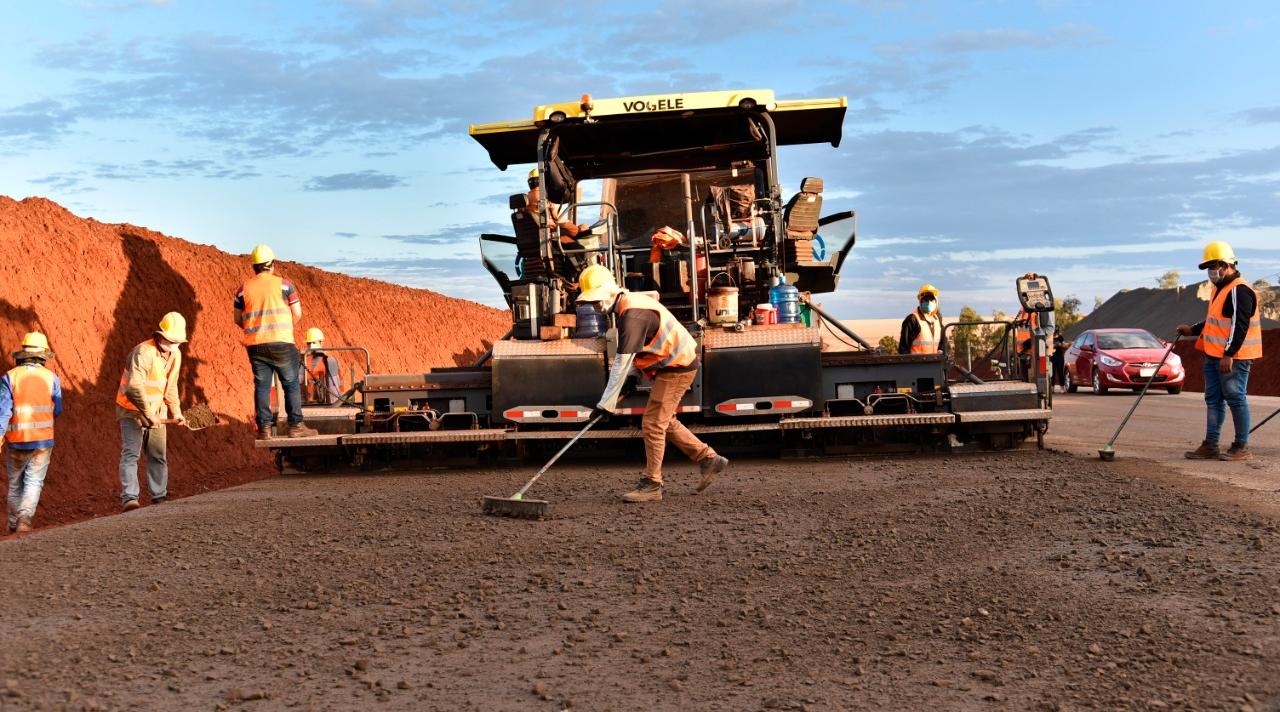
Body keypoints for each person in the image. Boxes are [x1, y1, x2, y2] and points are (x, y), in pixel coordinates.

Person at [577, 264, 729, 502]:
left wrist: (605, 404)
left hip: (676, 366)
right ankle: (708, 459)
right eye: (591, 302)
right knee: (664, 421)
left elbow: (622, 362)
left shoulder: (631, 315)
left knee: (652, 423)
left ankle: (652, 484)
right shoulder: (630, 306)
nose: (595, 306)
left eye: (596, 300)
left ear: (608, 292)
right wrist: (631, 380)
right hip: (674, 364)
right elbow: (641, 349)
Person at [1177, 241, 1263, 461]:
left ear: (1225, 265)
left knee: (1235, 398)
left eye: (1212, 266)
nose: (1210, 272)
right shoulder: (1220, 289)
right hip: (1213, 355)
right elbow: (1215, 321)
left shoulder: (1240, 290)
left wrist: (1229, 354)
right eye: (1208, 267)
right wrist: (1193, 330)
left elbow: (1239, 324)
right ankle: (1210, 444)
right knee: (1213, 399)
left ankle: (1241, 447)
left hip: (1233, 359)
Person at [234, 244, 318, 439]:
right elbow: (297, 314)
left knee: (262, 386)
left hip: (256, 344)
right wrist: (284, 328)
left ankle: (263, 428)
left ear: (254, 266)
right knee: (290, 383)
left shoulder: (242, 290)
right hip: (282, 342)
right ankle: (296, 426)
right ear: (271, 264)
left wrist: (256, 329)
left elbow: (238, 319)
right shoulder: (284, 285)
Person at [117, 313, 186, 511]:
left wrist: (176, 411)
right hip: (132, 410)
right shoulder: (143, 352)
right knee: (131, 453)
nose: (174, 345)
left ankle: (159, 496)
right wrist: (148, 413)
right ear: (160, 335)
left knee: (157, 454)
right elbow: (133, 387)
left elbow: (171, 386)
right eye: (171, 340)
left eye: (177, 342)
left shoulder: (175, 355)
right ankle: (130, 498)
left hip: (158, 411)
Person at [0, 332, 63, 533]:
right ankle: (25, 520)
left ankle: (12, 524)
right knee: (34, 481)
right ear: (43, 355)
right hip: (43, 441)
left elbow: (3, 411)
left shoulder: (9, 377)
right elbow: (58, 409)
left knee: (15, 483)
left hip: (17, 441)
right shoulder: (51, 378)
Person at [526, 167, 589, 244]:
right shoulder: (546, 197)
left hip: (534, 239)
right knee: (579, 248)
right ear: (543, 181)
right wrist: (577, 230)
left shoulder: (525, 200)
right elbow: (560, 219)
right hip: (550, 235)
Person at [303, 327, 344, 405]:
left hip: (330, 402)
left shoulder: (330, 360)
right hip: (308, 402)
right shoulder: (305, 360)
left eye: (314, 342)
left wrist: (335, 405)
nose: (311, 346)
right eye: (309, 343)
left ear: (321, 343)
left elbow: (333, 388)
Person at [898, 284, 942, 354]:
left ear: (936, 302)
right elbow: (903, 350)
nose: (929, 302)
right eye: (926, 300)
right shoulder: (912, 319)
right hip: (917, 364)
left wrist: (941, 350)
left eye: (931, 299)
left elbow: (942, 342)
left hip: (934, 363)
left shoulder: (937, 319)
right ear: (920, 301)